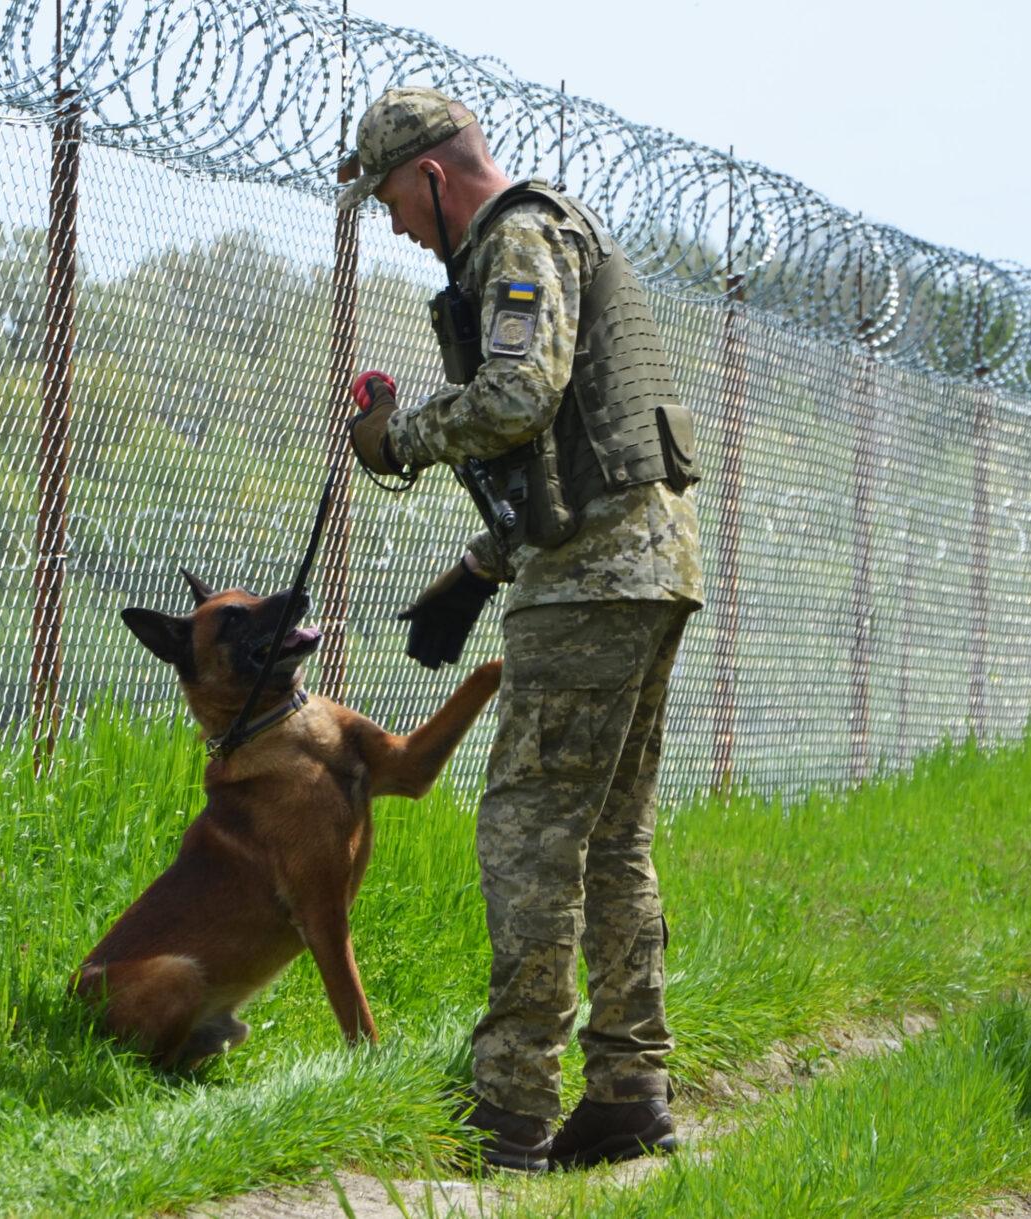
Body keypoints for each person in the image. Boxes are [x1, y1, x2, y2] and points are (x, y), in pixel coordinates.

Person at [337, 85, 705, 1173]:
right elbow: (573, 455)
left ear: (433, 176)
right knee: (611, 838)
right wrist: (473, 572)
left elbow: (518, 396)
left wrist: (393, 439)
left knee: (527, 832)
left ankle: (508, 1101)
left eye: (393, 199)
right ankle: (629, 1089)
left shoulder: (517, 241)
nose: (396, 225)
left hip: (592, 586)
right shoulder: (549, 234)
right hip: (638, 568)